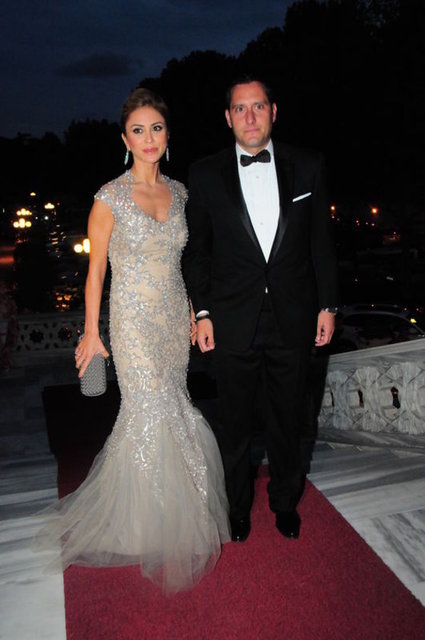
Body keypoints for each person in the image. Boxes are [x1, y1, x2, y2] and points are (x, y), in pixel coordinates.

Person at [34, 88, 230, 593]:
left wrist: (194, 313)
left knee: (175, 402)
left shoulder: (181, 193)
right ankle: (145, 523)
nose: (148, 138)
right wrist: (92, 332)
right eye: (138, 130)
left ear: (168, 135)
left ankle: (165, 516)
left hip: (172, 318)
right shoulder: (109, 197)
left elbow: (186, 264)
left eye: (156, 128)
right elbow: (96, 272)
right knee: (148, 409)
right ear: (125, 140)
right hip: (132, 321)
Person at [183, 74, 338, 544]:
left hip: (294, 316)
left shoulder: (308, 165)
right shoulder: (204, 174)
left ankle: (285, 502)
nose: (249, 117)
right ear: (227, 117)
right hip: (231, 320)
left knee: (288, 420)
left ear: (273, 111)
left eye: (258, 106)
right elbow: (197, 253)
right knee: (234, 425)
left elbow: (321, 244)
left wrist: (328, 305)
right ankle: (237, 509)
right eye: (240, 108)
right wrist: (202, 312)